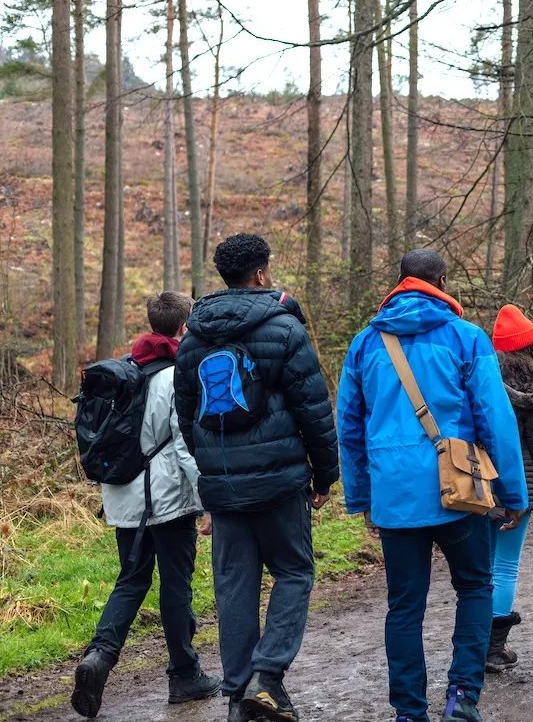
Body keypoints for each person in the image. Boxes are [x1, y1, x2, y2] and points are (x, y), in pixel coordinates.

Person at [337, 249, 527, 722]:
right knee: (476, 587)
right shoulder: (467, 338)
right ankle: (462, 698)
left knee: (404, 606)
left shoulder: (364, 344)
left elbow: (349, 426)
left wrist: (360, 493)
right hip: (459, 488)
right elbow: (495, 419)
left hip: (395, 493)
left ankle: (408, 711)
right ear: (442, 283)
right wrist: (514, 493)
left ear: (399, 282)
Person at [174, 233, 340, 722]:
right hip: (281, 482)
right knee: (293, 571)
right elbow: (314, 409)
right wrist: (325, 476)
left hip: (223, 486)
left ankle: (235, 698)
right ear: (261, 274)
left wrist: (211, 472)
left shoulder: (192, 338)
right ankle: (267, 676)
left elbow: (187, 418)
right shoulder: (286, 328)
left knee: (233, 586)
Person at [72, 292, 220, 720]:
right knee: (176, 584)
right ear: (184, 328)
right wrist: (207, 500)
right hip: (167, 501)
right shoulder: (175, 376)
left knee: (131, 580)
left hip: (122, 496)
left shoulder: (124, 369)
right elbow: (184, 447)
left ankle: (100, 655)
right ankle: (185, 675)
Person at [487, 304, 533, 673]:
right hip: (518, 483)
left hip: (478, 481)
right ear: (530, 347)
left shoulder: (478, 377)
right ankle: (494, 649)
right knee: (505, 566)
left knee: (480, 566)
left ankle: (472, 642)